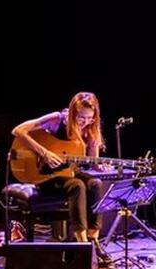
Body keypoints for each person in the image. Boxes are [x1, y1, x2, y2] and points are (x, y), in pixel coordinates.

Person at [11, 92, 108, 249]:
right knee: (77, 185)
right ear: (72, 113)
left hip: (68, 173)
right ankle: (82, 244)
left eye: (90, 118)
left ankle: (94, 240)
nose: (86, 122)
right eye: (81, 117)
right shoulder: (57, 119)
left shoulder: (91, 128)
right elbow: (18, 131)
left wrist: (100, 166)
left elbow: (92, 162)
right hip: (44, 175)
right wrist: (44, 153)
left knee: (95, 183)